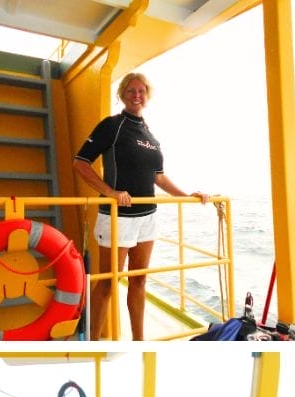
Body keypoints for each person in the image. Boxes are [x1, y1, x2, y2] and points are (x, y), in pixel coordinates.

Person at [73, 72, 210, 341]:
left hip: (147, 217)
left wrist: (186, 195)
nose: (136, 95)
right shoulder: (112, 125)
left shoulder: (150, 135)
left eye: (141, 91)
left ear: (147, 96)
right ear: (122, 95)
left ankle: (139, 342)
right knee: (108, 283)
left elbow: (158, 176)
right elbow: (80, 162)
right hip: (118, 216)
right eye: (131, 90)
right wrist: (109, 192)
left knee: (139, 281)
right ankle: (93, 343)